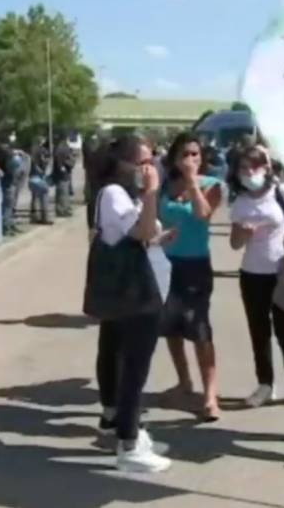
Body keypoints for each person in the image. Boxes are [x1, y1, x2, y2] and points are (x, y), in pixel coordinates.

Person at [94, 135, 172, 473]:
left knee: (126, 360)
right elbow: (142, 233)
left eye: (152, 161)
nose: (150, 168)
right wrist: (152, 194)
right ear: (124, 163)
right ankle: (128, 443)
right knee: (134, 367)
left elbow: (145, 234)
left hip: (142, 287)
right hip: (135, 293)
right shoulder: (113, 193)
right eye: (144, 162)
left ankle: (128, 430)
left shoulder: (127, 195)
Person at [228, 145, 284, 409]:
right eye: (243, 168)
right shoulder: (240, 202)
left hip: (282, 272)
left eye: (254, 167)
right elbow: (234, 244)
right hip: (252, 274)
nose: (248, 173)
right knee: (259, 332)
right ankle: (265, 385)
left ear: (266, 168)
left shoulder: (283, 193)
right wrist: (243, 233)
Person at [159, 132, 223, 421]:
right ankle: (183, 381)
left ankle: (210, 396)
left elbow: (202, 214)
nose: (190, 159)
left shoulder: (211, 185)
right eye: (184, 154)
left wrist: (192, 182)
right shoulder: (165, 185)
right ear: (174, 157)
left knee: (199, 329)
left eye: (195, 154)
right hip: (165, 263)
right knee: (170, 327)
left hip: (195, 265)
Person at [0, 131, 21, 236]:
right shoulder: (5, 151)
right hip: (8, 179)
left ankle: (8, 224)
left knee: (7, 203)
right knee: (8, 203)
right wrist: (15, 154)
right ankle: (6, 226)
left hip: (4, 178)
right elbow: (13, 164)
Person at [29, 136, 53, 225]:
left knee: (34, 197)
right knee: (44, 195)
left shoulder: (33, 150)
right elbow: (37, 163)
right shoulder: (40, 150)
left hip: (33, 176)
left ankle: (34, 217)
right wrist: (42, 171)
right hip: (38, 176)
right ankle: (44, 218)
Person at [53, 132, 75, 218]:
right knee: (63, 193)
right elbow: (60, 161)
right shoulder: (63, 148)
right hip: (64, 173)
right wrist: (62, 168)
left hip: (62, 173)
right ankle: (63, 210)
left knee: (62, 192)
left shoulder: (59, 147)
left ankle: (62, 209)